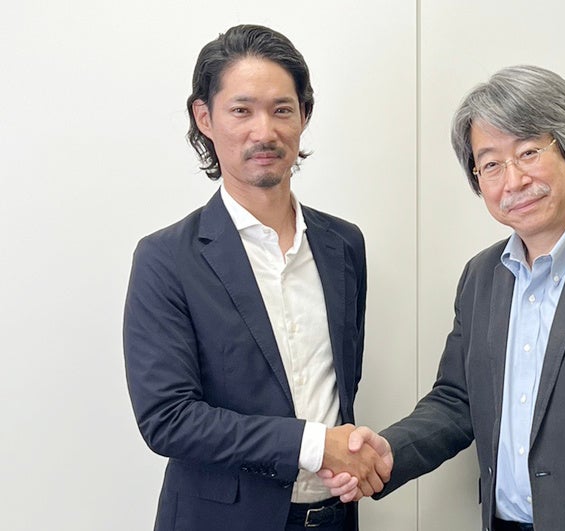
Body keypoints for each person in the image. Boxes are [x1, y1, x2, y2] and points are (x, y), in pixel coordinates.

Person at [321, 65, 565, 530]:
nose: (512, 181)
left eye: (528, 152)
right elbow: (457, 401)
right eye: (490, 164)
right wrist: (390, 453)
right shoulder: (482, 277)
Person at [123, 24, 389, 531]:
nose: (264, 132)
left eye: (282, 110)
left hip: (334, 517)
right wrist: (315, 444)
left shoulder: (344, 245)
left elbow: (340, 389)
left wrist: (345, 455)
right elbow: (167, 418)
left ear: (304, 115)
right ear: (205, 117)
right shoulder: (165, 258)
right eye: (241, 111)